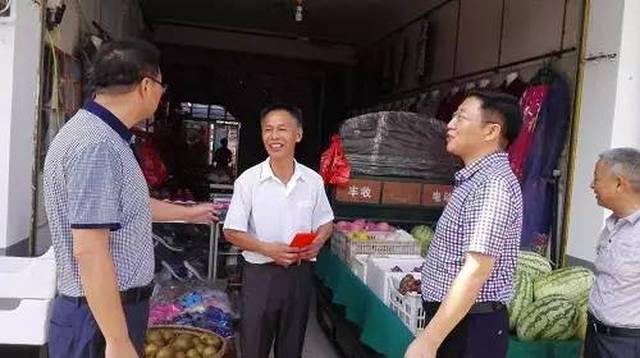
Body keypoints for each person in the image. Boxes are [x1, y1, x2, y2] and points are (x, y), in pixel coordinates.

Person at [43, 39, 218, 358]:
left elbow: (127, 207)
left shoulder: (104, 136)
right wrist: (117, 339)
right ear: (147, 85)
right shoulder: (97, 146)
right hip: (99, 318)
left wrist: (189, 213)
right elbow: (90, 250)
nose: (163, 94)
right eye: (163, 85)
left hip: (105, 311)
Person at [405, 90, 523, 358]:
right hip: (460, 321)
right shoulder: (475, 180)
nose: (450, 125)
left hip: (470, 326)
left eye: (461, 117)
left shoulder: (493, 186)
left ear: (491, 131)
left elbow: (476, 271)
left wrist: (428, 342)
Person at [223, 104, 334, 358]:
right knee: (254, 347)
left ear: (298, 134)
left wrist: (318, 241)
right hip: (260, 277)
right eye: (268, 130)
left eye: (282, 129)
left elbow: (326, 222)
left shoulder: (313, 181)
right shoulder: (248, 181)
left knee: (291, 347)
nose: (274, 137)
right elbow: (231, 231)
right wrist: (267, 249)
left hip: (299, 275)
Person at [585, 148, 640, 358]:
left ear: (620, 183)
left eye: (596, 179)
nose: (591, 185)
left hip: (627, 344)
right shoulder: (612, 224)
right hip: (596, 336)